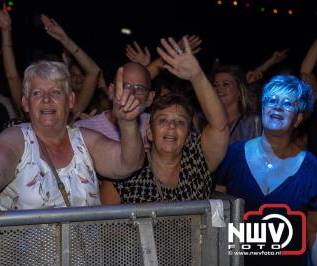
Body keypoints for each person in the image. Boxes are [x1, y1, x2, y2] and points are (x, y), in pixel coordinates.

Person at [0, 60, 144, 210]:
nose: (46, 99)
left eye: (55, 92)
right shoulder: (14, 139)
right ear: (25, 104)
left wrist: (127, 124)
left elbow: (128, 164)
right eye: (37, 93)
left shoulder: (85, 139)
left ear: (70, 101)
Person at [100, 36, 229, 203]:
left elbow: (219, 127)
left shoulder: (197, 165)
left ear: (189, 136)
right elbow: (108, 227)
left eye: (181, 122)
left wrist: (197, 76)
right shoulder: (124, 173)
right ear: (149, 132)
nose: (172, 126)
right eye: (162, 120)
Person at [215, 75, 317, 265]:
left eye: (287, 103)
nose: (278, 106)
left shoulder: (312, 168)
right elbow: (218, 219)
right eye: (272, 100)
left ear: (298, 118)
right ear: (262, 109)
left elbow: (313, 231)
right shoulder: (232, 156)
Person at [74, 62, 154, 143]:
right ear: (111, 90)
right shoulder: (83, 130)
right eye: (125, 87)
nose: (130, 94)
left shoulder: (157, 127)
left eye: (139, 89)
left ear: (150, 98)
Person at [211, 64, 262, 143]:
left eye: (225, 84)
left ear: (239, 91)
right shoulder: (207, 122)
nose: (219, 89)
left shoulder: (251, 121)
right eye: (215, 85)